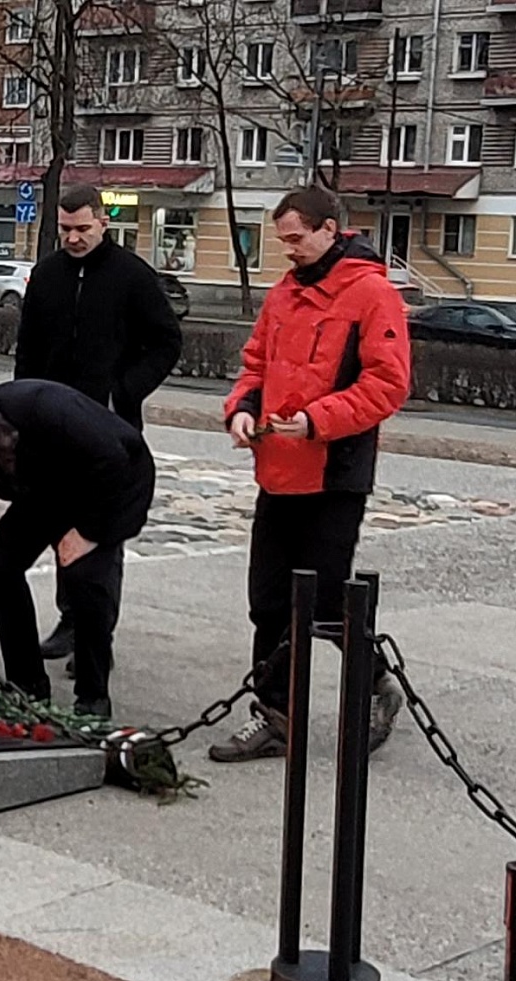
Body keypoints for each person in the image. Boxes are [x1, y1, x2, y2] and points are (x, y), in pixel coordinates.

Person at [208, 188, 410, 762]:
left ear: (328, 230)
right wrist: (241, 409)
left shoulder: (371, 293)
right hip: (277, 470)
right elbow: (255, 366)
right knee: (269, 602)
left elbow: (388, 384)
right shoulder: (283, 295)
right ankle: (275, 716)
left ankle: (375, 685)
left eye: (295, 238)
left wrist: (317, 421)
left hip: (333, 471)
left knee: (327, 602)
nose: (288, 250)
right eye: (283, 240)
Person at [0, 380, 156, 717]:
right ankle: (28, 685)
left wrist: (87, 533)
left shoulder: (42, 407)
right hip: (44, 489)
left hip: (109, 480)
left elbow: (115, 460)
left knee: (85, 575)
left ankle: (93, 697)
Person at [14, 183, 183, 663]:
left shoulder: (132, 276)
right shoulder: (46, 277)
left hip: (110, 431)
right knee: (59, 528)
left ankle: (96, 634)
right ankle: (70, 619)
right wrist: (25, 406)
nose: (73, 238)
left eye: (83, 228)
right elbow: (28, 349)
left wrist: (123, 392)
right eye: (66, 229)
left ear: (103, 223)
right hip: (50, 428)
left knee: (102, 536)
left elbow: (167, 341)